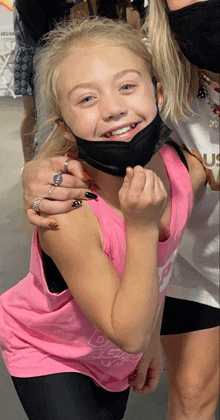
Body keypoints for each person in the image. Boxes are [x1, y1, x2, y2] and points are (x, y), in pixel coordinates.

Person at [0, 17, 206, 420]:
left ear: (158, 92)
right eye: (86, 99)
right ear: (65, 126)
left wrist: (151, 339)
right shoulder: (69, 213)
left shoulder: (185, 174)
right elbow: (126, 332)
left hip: (113, 355)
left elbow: (162, 271)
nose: (114, 109)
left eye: (127, 86)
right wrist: (142, 225)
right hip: (50, 352)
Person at [144, 1, 220, 419]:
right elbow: (81, 131)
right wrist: (50, 172)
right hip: (196, 271)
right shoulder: (147, 69)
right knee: (191, 400)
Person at [13, 0, 73, 162]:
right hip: (33, 58)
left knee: (49, 112)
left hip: (48, 55)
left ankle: (38, 159)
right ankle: (30, 161)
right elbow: (44, 31)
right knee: (34, 113)